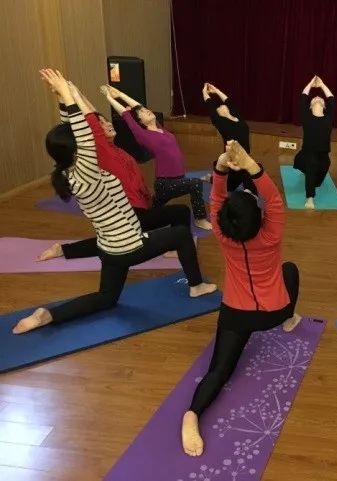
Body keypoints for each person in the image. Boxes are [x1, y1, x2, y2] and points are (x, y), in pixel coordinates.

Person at [12, 69, 217, 335]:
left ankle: (48, 315)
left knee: (106, 298)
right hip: (129, 246)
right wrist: (68, 96)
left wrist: (64, 98)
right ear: (78, 149)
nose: (89, 136)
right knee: (180, 234)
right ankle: (197, 286)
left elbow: (73, 130)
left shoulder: (70, 172)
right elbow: (83, 133)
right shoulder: (88, 173)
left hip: (109, 247)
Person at [181, 140, 301, 457]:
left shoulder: (222, 234)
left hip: (236, 315)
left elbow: (217, 197)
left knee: (218, 371)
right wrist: (250, 166)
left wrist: (221, 167)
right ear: (260, 218)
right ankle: (291, 318)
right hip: (274, 313)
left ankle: (192, 415)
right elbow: (273, 198)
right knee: (290, 270)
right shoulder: (271, 234)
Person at [38, 87, 192, 262]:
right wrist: (71, 96)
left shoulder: (116, 149)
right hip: (130, 210)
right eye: (102, 124)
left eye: (106, 121)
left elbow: (95, 115)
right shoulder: (100, 150)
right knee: (179, 212)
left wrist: (78, 94)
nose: (108, 124)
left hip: (141, 205)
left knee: (120, 239)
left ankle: (63, 250)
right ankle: (176, 248)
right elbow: (89, 119)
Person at [101, 85, 212, 231]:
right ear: (140, 122)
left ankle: (145, 214)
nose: (147, 110)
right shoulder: (143, 135)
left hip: (176, 179)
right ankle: (200, 219)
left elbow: (138, 106)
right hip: (166, 183)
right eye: (143, 113)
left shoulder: (160, 128)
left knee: (152, 208)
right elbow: (126, 114)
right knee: (195, 183)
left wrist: (120, 94)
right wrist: (108, 97)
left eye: (146, 109)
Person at [202, 83, 256, 194]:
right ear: (219, 114)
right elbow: (209, 105)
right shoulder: (221, 122)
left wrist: (216, 90)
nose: (221, 105)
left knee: (249, 175)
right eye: (218, 107)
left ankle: (248, 190)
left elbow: (228, 100)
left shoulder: (237, 117)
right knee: (230, 187)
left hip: (245, 159)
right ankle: (212, 178)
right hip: (233, 162)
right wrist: (204, 92)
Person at [294, 75, 335, 209]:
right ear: (310, 107)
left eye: (320, 99)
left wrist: (322, 85)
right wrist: (311, 83)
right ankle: (310, 198)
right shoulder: (306, 117)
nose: (317, 97)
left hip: (323, 157)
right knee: (310, 165)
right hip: (307, 154)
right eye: (314, 99)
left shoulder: (329, 118)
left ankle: (310, 176)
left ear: (324, 106)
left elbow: (331, 98)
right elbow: (303, 97)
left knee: (317, 182)